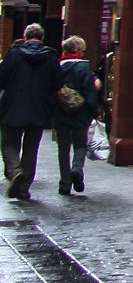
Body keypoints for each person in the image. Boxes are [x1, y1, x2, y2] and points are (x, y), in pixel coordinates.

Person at [0, 24, 61, 201]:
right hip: (39, 108)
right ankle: (24, 188)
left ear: (25, 37)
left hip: (12, 107)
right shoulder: (50, 56)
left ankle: (15, 171)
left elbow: (1, 79)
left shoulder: (15, 54)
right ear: (42, 38)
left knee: (9, 144)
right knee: (31, 149)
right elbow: (57, 83)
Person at [53, 36, 101, 196]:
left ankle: (64, 183)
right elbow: (89, 92)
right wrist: (94, 110)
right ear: (77, 50)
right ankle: (77, 169)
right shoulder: (83, 68)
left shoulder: (56, 67)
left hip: (61, 113)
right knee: (80, 145)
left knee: (63, 148)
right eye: (82, 50)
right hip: (81, 114)